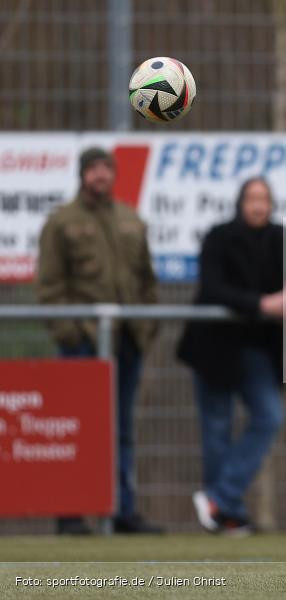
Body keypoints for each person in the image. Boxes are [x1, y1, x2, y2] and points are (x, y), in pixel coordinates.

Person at [36, 147, 162, 535]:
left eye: (106, 168)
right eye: (93, 168)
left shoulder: (130, 219)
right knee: (76, 428)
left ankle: (123, 510)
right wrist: (72, 333)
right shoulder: (61, 222)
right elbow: (50, 287)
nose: (101, 175)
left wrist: (145, 328)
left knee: (122, 427)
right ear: (82, 174)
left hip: (126, 342)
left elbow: (147, 281)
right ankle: (71, 513)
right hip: (82, 343)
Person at [177, 176, 286, 535]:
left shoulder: (283, 237)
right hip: (214, 349)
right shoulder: (219, 236)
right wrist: (261, 303)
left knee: (269, 416)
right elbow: (212, 287)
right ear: (240, 202)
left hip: (259, 350)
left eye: (264, 198)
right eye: (251, 198)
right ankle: (227, 515)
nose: (257, 205)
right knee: (216, 430)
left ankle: (219, 498)